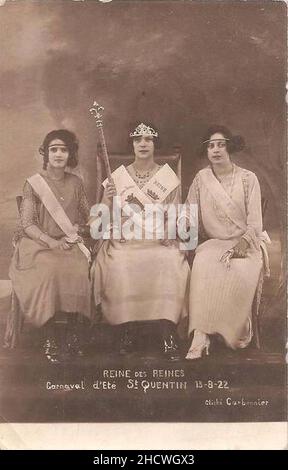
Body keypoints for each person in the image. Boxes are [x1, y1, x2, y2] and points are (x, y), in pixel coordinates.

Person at [91, 122, 190, 360]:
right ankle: (127, 329)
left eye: (148, 139)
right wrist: (110, 204)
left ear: (156, 144)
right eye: (138, 139)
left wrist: (169, 230)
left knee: (169, 261)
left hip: (157, 236)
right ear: (132, 145)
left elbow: (175, 212)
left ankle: (168, 330)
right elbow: (100, 214)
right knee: (121, 262)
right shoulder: (117, 178)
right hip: (126, 236)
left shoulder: (167, 177)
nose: (143, 144)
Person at [180, 125, 270, 360]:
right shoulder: (201, 178)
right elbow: (189, 212)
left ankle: (233, 329)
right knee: (203, 263)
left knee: (238, 269)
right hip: (214, 242)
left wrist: (243, 244)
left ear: (229, 147)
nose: (216, 150)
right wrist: (181, 224)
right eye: (210, 146)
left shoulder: (248, 179)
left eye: (220, 144)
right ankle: (201, 335)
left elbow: (255, 223)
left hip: (245, 243)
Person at [4, 129, 92, 362]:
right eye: (54, 149)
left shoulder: (76, 182)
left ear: (70, 154)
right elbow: (28, 224)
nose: (59, 154)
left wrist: (79, 229)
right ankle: (50, 334)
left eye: (64, 149)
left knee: (79, 269)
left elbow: (88, 217)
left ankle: (73, 333)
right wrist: (52, 242)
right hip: (38, 244)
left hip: (68, 242)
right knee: (50, 270)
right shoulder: (33, 184)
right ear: (46, 153)